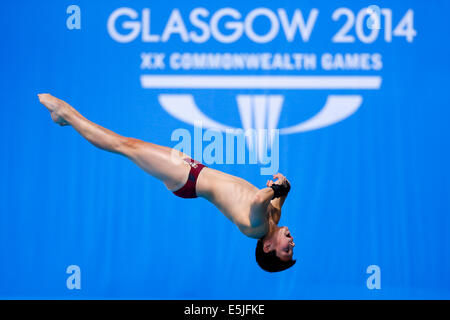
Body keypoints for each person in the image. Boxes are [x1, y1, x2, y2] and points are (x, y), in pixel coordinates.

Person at [38, 93, 296, 272]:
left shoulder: (255, 228)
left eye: (286, 251)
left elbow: (257, 199)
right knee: (128, 146)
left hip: (187, 179)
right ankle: (64, 118)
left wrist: (275, 189)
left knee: (125, 146)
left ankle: (66, 114)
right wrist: (284, 186)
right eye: (291, 249)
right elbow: (279, 194)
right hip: (195, 170)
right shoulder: (274, 216)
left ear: (268, 247)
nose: (292, 244)